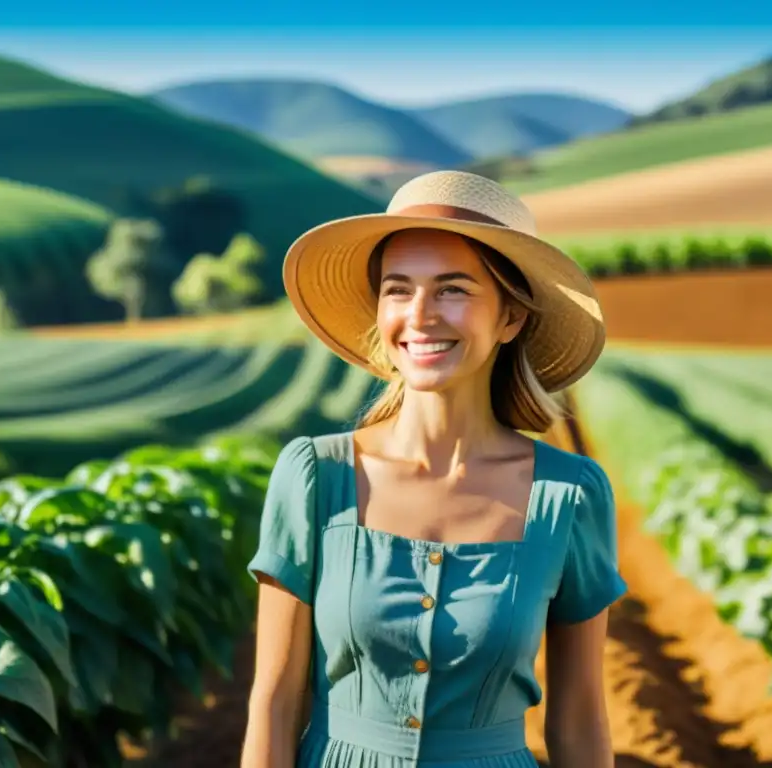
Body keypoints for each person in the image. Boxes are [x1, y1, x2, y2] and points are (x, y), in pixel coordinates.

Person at [240, 170, 627, 768]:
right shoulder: (315, 476)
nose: (420, 315)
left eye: (453, 289)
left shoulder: (567, 497)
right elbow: (274, 699)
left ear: (510, 318)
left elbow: (578, 720)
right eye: (398, 289)